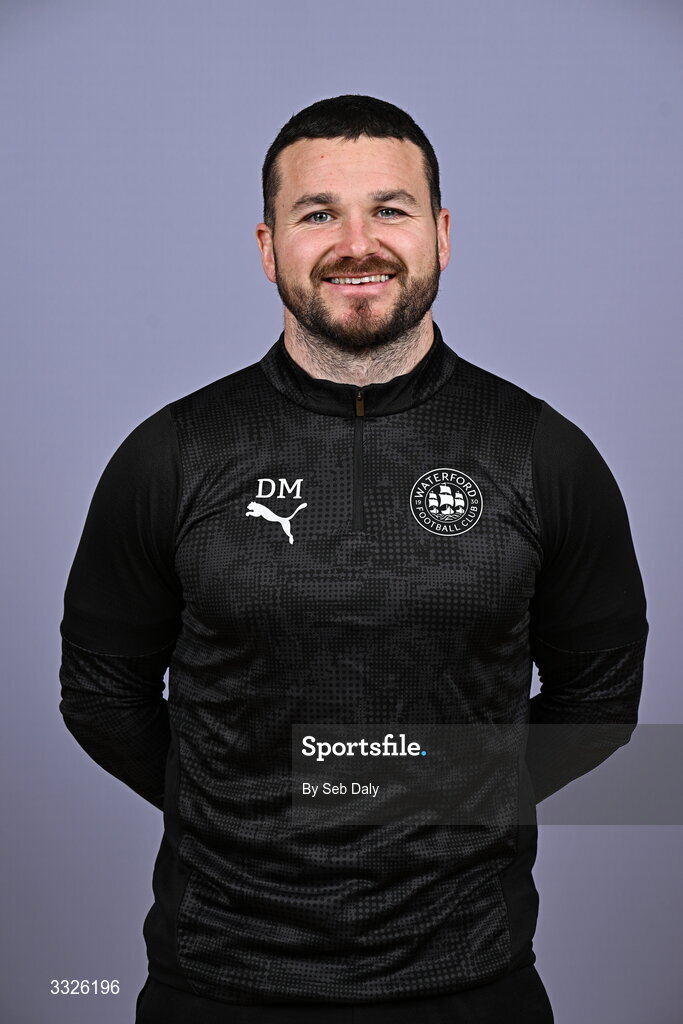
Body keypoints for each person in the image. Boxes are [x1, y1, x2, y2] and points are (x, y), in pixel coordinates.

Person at [59, 95, 648, 1024]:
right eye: (318, 213)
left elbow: (601, 704)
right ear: (267, 247)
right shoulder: (171, 454)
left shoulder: (542, 454)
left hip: (470, 982)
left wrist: (405, 790)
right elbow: (100, 697)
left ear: (441, 234)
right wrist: (238, 799)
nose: (357, 242)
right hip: (216, 982)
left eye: (390, 209)